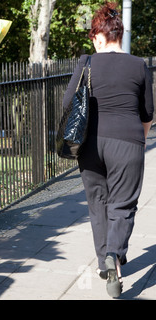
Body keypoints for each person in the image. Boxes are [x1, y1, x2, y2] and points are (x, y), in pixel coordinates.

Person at [62, 2, 154, 298]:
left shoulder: (86, 63)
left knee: (97, 202)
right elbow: (148, 113)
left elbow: (68, 105)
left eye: (93, 36)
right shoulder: (139, 65)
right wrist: (137, 141)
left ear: (99, 36)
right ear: (119, 34)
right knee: (123, 204)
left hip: (90, 144)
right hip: (127, 141)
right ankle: (115, 253)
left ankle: (105, 261)